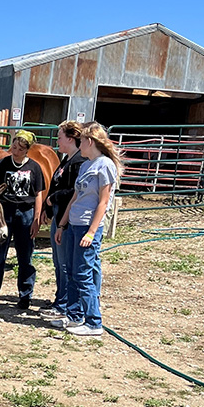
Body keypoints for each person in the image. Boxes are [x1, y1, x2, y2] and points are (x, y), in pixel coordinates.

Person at [54, 122, 121, 337]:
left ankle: (93, 322)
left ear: (90, 141)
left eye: (81, 140)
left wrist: (92, 231)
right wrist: (63, 224)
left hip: (87, 226)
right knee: (72, 272)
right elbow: (75, 197)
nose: (79, 144)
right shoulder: (85, 165)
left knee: (83, 273)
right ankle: (74, 316)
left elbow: (103, 202)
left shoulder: (105, 165)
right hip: (74, 224)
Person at [0, 129, 45, 311]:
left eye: (20, 148)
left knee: (25, 257)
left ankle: (25, 296)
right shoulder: (2, 164)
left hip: (25, 213)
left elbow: (38, 194)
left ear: (27, 150)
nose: (15, 150)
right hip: (4, 213)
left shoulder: (35, 168)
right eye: (14, 145)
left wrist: (36, 219)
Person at [42, 120, 84, 322]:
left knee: (65, 263)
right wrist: (47, 206)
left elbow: (73, 192)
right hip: (58, 213)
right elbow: (54, 185)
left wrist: (54, 198)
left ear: (70, 138)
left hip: (66, 217)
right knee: (58, 262)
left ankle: (64, 304)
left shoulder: (78, 162)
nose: (57, 141)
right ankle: (60, 300)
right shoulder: (66, 160)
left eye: (60, 137)